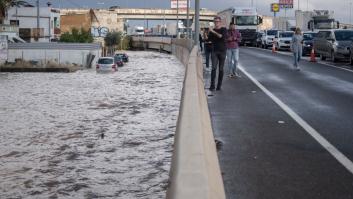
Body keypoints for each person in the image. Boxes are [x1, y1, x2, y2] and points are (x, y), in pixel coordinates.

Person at [208, 16, 227, 91]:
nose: (216, 23)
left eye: (218, 21)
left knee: (221, 69)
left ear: (220, 22)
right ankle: (212, 85)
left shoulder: (224, 29)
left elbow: (221, 36)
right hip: (214, 51)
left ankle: (219, 85)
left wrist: (212, 31)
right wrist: (206, 33)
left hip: (222, 51)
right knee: (213, 68)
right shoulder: (212, 30)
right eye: (215, 21)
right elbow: (208, 40)